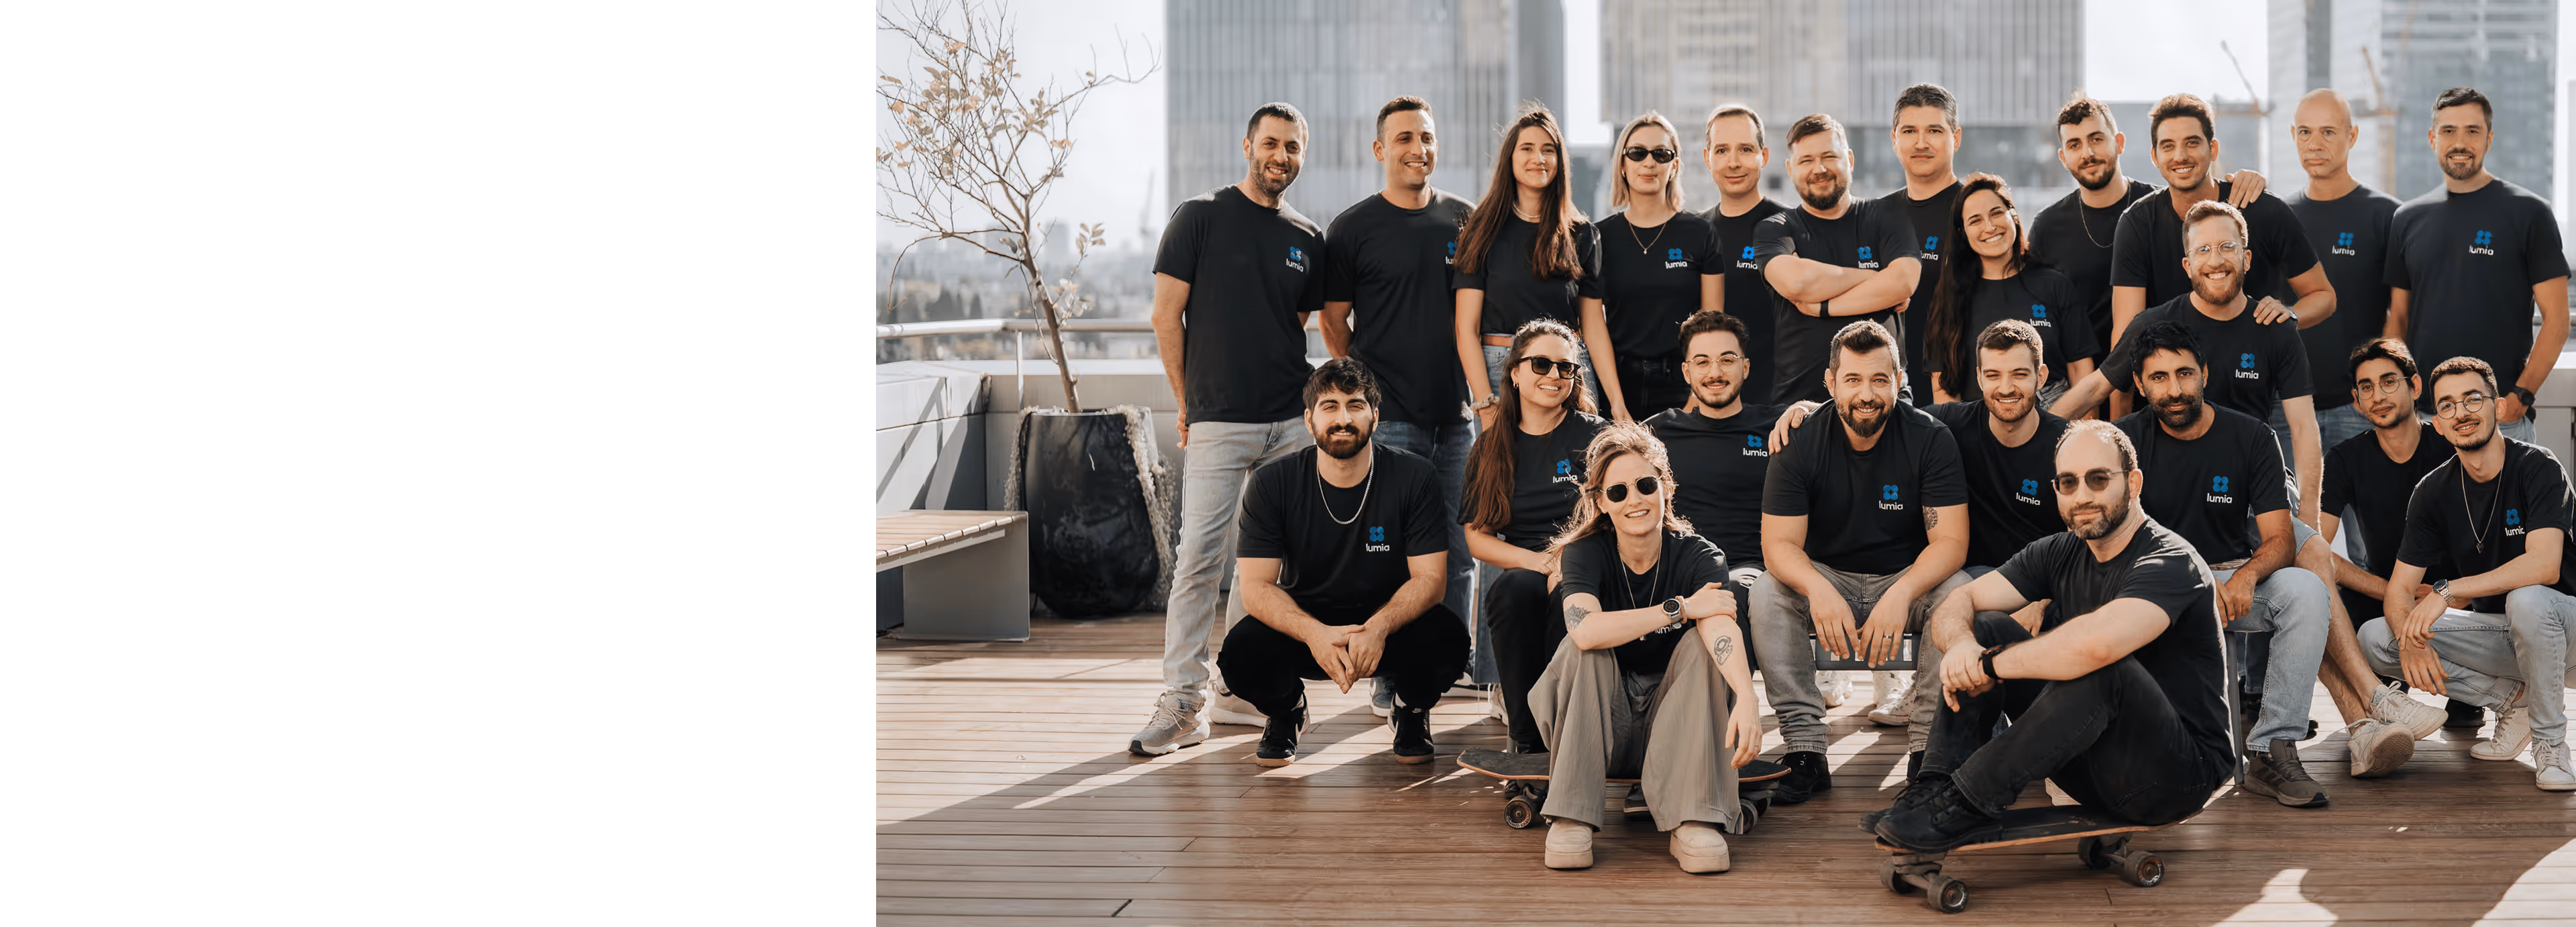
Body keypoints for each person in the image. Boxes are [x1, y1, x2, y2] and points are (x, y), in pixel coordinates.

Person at [1868, 421, 2231, 851]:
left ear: (2133, 483)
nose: (2082, 496)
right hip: (2088, 759)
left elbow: (2097, 645)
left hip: (2175, 777)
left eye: (2099, 479)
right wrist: (1965, 647)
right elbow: (1960, 599)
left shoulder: (2171, 561)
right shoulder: (2058, 551)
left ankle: (1966, 800)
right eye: (2068, 483)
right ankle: (1935, 789)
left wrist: (1988, 665)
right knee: (1984, 627)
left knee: (2102, 669)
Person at [1134, 103, 1327, 755]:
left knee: (1263, 568)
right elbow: (1166, 317)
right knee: (1198, 560)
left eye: (1293, 147)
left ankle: (1241, 690)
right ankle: (1182, 702)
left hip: (1290, 423)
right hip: (1219, 420)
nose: (1281, 155)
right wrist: (1187, 403)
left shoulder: (1307, 237)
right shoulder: (1199, 217)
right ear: (1248, 146)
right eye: (1271, 143)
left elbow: (1292, 328)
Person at [1750, 320, 1974, 798]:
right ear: (1830, 382)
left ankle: (1930, 753)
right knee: (1768, 591)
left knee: (1956, 591)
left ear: (1898, 380)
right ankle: (1805, 752)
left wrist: (1902, 593)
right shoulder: (1801, 439)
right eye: (1852, 380)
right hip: (1829, 577)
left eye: (1879, 380)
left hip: (1906, 578)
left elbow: (1951, 542)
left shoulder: (1930, 438)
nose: (1866, 394)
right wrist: (1817, 588)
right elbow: (1779, 544)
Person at [2112, 321, 2333, 807]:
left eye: (2184, 373)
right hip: (2155, 583)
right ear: (2140, 385)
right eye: (2159, 377)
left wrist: (2248, 576)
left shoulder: (2252, 436)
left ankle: (2272, 746)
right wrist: (2190, 579)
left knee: (2306, 591)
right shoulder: (2121, 442)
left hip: (2232, 577)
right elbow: (2112, 540)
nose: (2174, 389)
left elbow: (2280, 539)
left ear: (2205, 374)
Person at [1527, 425, 1763, 873]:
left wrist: (1748, 696)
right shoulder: (1584, 553)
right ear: (1601, 502)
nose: (1633, 499)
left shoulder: (1700, 555)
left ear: (1666, 487)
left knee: (1703, 645)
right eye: (1618, 492)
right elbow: (1585, 631)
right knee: (1584, 649)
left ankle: (1694, 817)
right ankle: (1571, 814)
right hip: (1597, 724)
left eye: (1645, 485)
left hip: (1678, 729)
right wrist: (1679, 608)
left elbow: (1719, 624)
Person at [1218, 360, 1471, 767]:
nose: (1343, 418)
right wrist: (1315, 634)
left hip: (1388, 627)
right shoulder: (1271, 483)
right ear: (1309, 419)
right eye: (1329, 406)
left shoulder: (1414, 475)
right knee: (1240, 653)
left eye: (1355, 405)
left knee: (1450, 639)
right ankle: (1287, 711)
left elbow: (1431, 579)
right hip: (1309, 627)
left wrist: (1379, 627)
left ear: (1375, 416)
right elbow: (1256, 588)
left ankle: (1408, 708)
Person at [1319, 96, 1479, 718]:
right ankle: (1387, 675)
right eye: (1405, 137)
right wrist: (1368, 390)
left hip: (1457, 419)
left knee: (1459, 553)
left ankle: (1449, 662)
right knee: (1389, 558)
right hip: (1391, 423)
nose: (1419, 148)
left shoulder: (1464, 220)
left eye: (1427, 137)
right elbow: (1333, 321)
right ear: (1381, 149)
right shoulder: (1352, 228)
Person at [2355, 356, 2576, 791]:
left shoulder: (2538, 466)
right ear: (2437, 424)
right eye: (2448, 405)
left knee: (2528, 598)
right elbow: (2399, 591)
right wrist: (2411, 644)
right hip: (2506, 634)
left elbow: (2545, 565)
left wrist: (2447, 591)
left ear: (2498, 406)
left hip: (2567, 633)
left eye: (2473, 399)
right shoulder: (2432, 491)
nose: (2462, 413)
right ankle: (2513, 702)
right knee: (2378, 637)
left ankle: (2551, 745)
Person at [2062, 202, 2324, 531]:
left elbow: (2303, 428)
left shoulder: (2275, 328)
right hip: (2170, 483)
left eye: (2227, 247)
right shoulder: (2153, 324)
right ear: (2188, 265)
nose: (2215, 261)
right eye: (2203, 250)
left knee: (2308, 551)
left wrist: (2310, 518)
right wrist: (2032, 434)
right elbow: (2096, 388)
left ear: (2246, 258)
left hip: (2253, 481)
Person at [1646, 312, 1830, 702]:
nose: (1715, 372)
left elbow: (1839, 420)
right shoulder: (1659, 432)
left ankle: (1730, 724)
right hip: (1679, 570)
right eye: (1702, 362)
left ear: (1745, 368)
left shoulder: (1777, 425)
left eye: (1727, 360)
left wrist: (1807, 408)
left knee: (1728, 592)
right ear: (1686, 372)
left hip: (1752, 570)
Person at [2383, 87, 2571, 445]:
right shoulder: (2406, 219)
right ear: (2432, 139)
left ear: (2489, 139)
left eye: (2472, 131)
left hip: (2500, 420)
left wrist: (2520, 397)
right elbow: (2399, 320)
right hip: (2427, 421)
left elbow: (2558, 320)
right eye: (2449, 131)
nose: (2460, 142)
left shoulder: (2530, 213)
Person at [2316, 339, 2465, 774]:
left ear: (2415, 387)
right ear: (2356, 401)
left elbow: (2494, 541)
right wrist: (2393, 594)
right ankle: (2369, 725)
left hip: (2459, 598)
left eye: (2388, 382)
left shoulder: (2452, 444)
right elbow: (2316, 551)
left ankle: (2477, 698)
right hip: (2386, 599)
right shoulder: (2345, 459)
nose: (2378, 395)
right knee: (2310, 601)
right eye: (2366, 387)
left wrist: (2452, 594)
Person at [2104, 93, 2330, 372]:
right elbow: (2126, 334)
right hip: (2174, 386)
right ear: (2155, 156)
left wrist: (2289, 316)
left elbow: (2323, 296)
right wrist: (2119, 402)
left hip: (2259, 380)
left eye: (2192, 143)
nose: (2180, 156)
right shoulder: (2137, 224)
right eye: (2168, 146)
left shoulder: (2265, 211)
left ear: (2213, 149)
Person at [1462, 320, 1607, 753]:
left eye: (1566, 368)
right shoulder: (1491, 446)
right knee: (1510, 593)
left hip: (1592, 559)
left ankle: (1568, 739)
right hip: (1530, 563)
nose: (1554, 375)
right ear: (1515, 373)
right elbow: (1477, 538)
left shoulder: (1596, 435)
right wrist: (1543, 563)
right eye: (1541, 364)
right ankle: (1526, 744)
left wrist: (1570, 562)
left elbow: (1621, 516)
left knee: (1567, 595)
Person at [1754, 114, 1922, 405]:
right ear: (1791, 169)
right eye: (1806, 160)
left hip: (1885, 400)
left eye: (1829, 157)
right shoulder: (1776, 228)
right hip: (1801, 405)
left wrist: (1824, 307)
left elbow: (1904, 281)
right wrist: (1875, 278)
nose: (1819, 169)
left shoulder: (1888, 217)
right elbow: (1798, 283)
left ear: (1850, 159)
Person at [1456, 105, 1606, 422]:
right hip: (1501, 366)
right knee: (1503, 457)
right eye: (1527, 148)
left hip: (1565, 368)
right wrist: (1485, 403)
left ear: (1559, 161)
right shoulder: (1481, 230)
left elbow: (1593, 328)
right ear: (1510, 159)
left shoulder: (1581, 235)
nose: (1538, 158)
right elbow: (1465, 328)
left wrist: (1616, 401)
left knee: (1576, 455)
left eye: (1548, 150)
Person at [2280, 89, 2402, 454]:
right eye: (2305, 132)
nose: (2315, 144)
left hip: (2360, 408)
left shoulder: (2388, 216)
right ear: (2293, 136)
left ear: (2352, 136)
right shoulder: (2278, 217)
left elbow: (2401, 314)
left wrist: (2378, 390)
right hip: (2288, 408)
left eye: (2328, 132)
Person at [1922, 174, 2097, 406]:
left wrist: (2083, 429)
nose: (1990, 227)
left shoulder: (2055, 285)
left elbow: (2082, 376)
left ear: (2013, 215)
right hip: (1978, 422)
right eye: (1975, 221)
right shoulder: (1948, 299)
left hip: (2055, 416)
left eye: (1996, 213)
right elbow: (1945, 393)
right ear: (1962, 233)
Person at [1594, 112, 1723, 423]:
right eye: (1637, 153)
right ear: (1622, 164)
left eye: (1661, 154)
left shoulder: (1700, 233)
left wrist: (1696, 396)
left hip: (1682, 383)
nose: (1649, 163)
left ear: (1674, 165)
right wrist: (1615, 402)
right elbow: (1593, 326)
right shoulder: (1598, 237)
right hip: (1616, 383)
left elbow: (1712, 323)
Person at [2027, 96, 2157, 368]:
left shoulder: (2158, 207)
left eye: (2096, 139)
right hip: (2082, 379)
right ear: (2063, 158)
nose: (2087, 153)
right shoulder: (2047, 227)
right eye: (2074, 145)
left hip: (2160, 374)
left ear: (2119, 143)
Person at [1875, 84, 1963, 406]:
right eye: (1910, 131)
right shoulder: (1876, 216)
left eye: (1934, 131)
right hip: (1884, 399)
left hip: (1961, 398)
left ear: (1956, 138)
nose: (1921, 143)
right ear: (1894, 139)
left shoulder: (1976, 213)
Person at [1700, 104, 1789, 405]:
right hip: (1711, 403)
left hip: (1781, 404)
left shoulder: (1792, 227)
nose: (1734, 162)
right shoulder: (1694, 233)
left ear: (1764, 156)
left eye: (1746, 150)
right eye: (1722, 151)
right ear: (1707, 158)